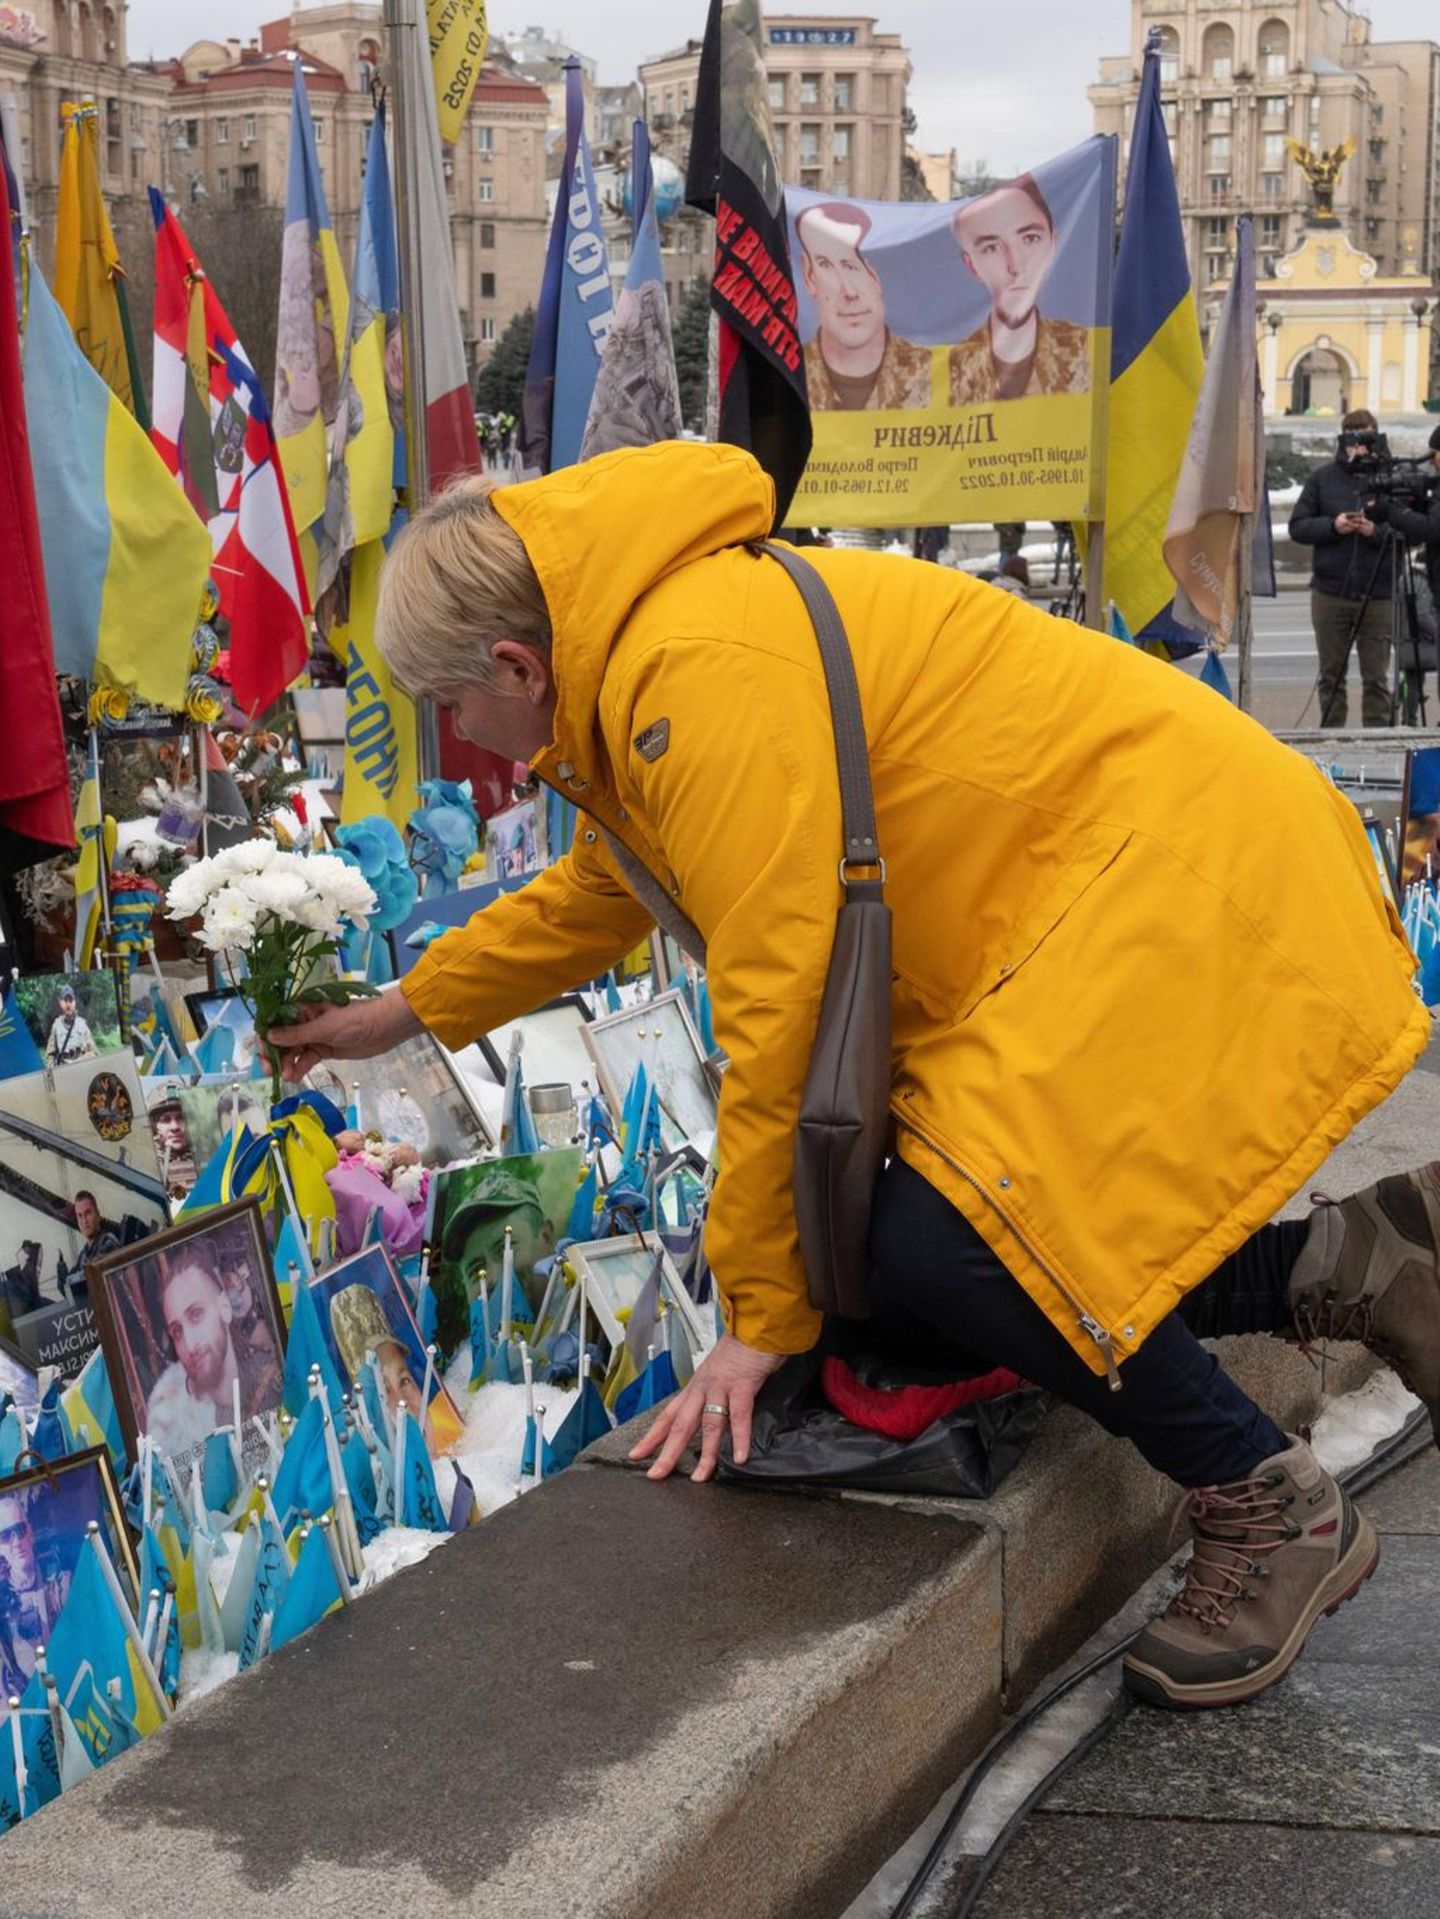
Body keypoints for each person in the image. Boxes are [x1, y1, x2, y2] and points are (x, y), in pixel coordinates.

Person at [271, 441, 1437, 1712]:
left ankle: (1262, 1496)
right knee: (899, 1273)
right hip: (1095, 893)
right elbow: (609, 888)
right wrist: (401, 1011)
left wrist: (759, 1317)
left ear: (514, 665)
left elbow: (783, 1003)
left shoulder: (688, 669)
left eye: (451, 700)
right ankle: (1346, 1268)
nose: (458, 731)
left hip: (1171, 884)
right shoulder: (645, 651)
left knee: (950, 1245)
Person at [1289, 409, 1402, 727]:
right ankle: (1330, 738)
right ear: (1343, 441)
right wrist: (1333, 525)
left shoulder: (1391, 479)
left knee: (1376, 678)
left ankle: (1378, 742)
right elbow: (1298, 526)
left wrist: (1374, 532)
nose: (1359, 447)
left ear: (1377, 437)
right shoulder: (1323, 479)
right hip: (1331, 591)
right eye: (1352, 439)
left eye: (1366, 438)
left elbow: (1411, 531)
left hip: (1378, 592)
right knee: (1331, 676)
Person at [948, 175, 1090, 404]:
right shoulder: (952, 362)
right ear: (971, 264)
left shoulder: (1087, 349)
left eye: (1031, 239)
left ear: (1053, 244)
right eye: (991, 248)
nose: (1016, 266)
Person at [144, 1245, 280, 1468]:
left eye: (196, 1315)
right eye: (177, 1331)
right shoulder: (182, 1430)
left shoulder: (274, 1383)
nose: (190, 1344)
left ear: (225, 1308)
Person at [795, 202, 932, 412]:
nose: (849, 292)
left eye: (853, 266)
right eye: (826, 265)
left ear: (875, 276)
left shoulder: (933, 373)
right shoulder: (787, 379)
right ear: (809, 276)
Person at [0, 1488, 70, 1698]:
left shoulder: (62, 1581)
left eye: (20, 1530)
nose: (16, 1542)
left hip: (70, 1686)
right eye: (5, 1536)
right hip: (28, 1707)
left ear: (30, 1533)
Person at [62, 1190, 118, 1299]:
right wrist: (61, 1267)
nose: (84, 1220)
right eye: (80, 1215)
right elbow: (67, 1286)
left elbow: (93, 1275)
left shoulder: (108, 1242)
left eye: (88, 1213)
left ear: (97, 1215)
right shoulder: (83, 1255)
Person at [43, 984, 95, 1066]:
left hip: (82, 1067)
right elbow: (49, 1055)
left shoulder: (82, 1024)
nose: (68, 1005)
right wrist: (54, 1067)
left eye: (71, 1001)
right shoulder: (56, 1026)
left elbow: (94, 1051)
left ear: (74, 1002)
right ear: (60, 1002)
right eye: (65, 1000)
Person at [2, 1241, 49, 1320]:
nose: (25, 1252)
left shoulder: (30, 1263)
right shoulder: (27, 1265)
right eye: (24, 1250)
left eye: (25, 1250)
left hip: (32, 1302)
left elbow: (37, 1247)